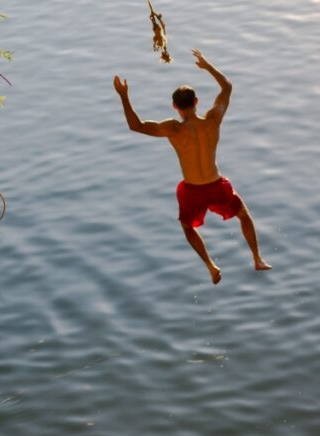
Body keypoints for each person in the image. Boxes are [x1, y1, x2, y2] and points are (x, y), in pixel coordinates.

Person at [113, 49, 271, 284]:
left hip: (192, 189)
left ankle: (211, 265)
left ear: (174, 106)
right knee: (243, 215)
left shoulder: (173, 129)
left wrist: (123, 95)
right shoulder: (212, 120)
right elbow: (227, 87)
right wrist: (207, 66)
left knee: (188, 227)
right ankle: (257, 258)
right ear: (196, 102)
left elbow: (136, 125)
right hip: (216, 184)